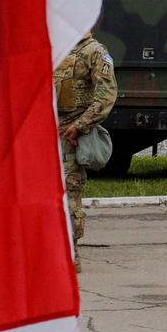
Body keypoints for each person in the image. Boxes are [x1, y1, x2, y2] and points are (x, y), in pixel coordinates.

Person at [54, 31, 118, 272]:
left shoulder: (95, 52)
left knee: (69, 193)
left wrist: (80, 126)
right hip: (46, 133)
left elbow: (106, 96)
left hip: (71, 135)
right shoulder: (57, 49)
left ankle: (71, 252)